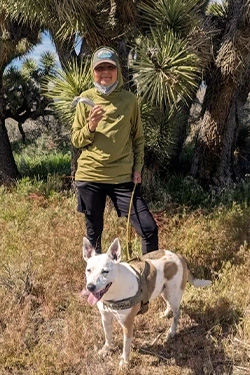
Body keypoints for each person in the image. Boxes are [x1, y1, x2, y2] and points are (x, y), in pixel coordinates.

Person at [72, 46, 158, 254]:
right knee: (94, 235)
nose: (105, 72)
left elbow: (138, 138)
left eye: (109, 67)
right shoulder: (85, 99)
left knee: (148, 229)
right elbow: (76, 140)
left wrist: (137, 168)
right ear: (93, 71)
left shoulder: (129, 101)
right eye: (100, 68)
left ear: (117, 70)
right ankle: (96, 283)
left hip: (122, 178)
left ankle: (149, 281)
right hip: (91, 176)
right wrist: (91, 126)